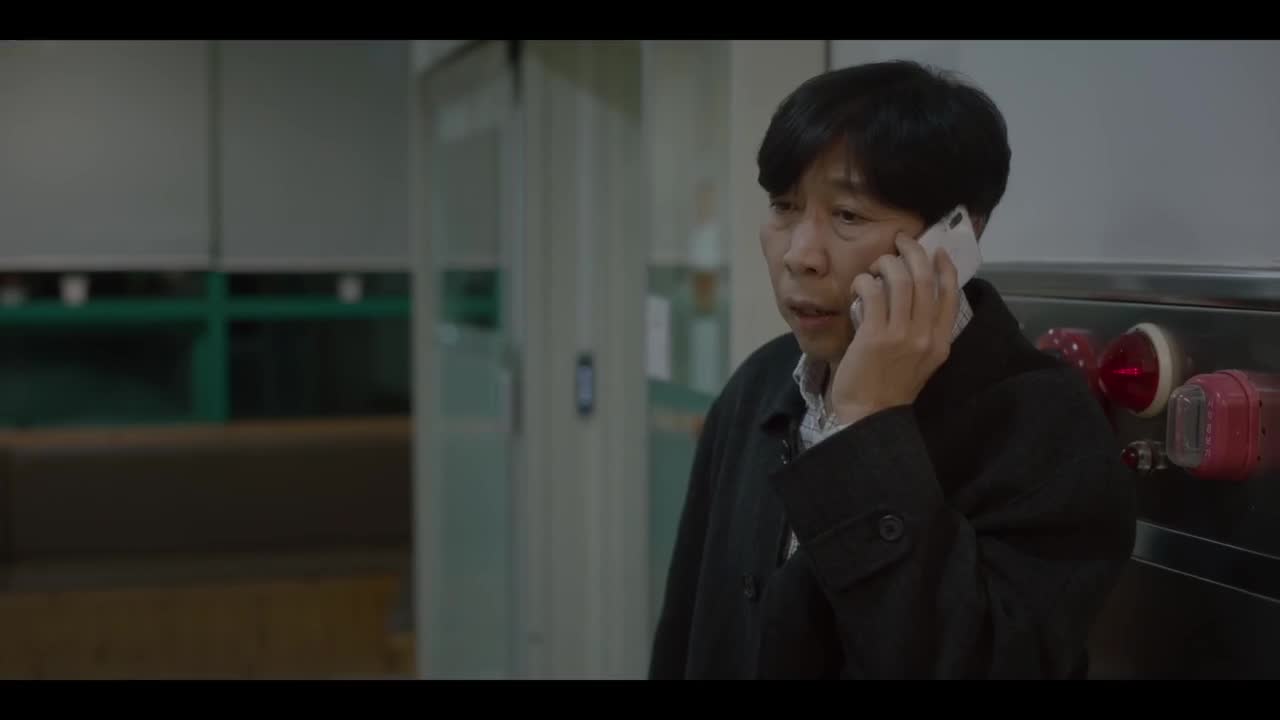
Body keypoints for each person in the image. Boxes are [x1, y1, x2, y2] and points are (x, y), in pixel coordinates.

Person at [648, 60, 1136, 680]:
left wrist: (866, 429)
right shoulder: (761, 383)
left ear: (955, 239)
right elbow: (687, 631)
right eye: (784, 206)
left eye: (849, 215)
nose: (800, 254)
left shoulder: (1045, 427)